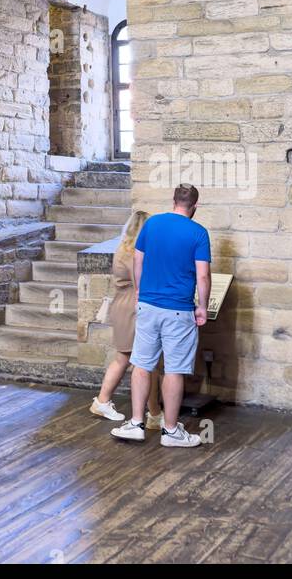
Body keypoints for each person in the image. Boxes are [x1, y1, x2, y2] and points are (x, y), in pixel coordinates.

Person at [111, 183, 211, 449]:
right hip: (179, 309)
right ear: (195, 206)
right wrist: (202, 306)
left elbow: (137, 261)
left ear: (173, 200)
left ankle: (135, 423)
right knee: (174, 369)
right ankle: (170, 431)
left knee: (142, 363)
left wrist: (142, 291)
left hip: (148, 305)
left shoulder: (152, 224)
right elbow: (202, 274)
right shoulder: (198, 232)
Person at [89, 210, 162, 428]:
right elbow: (142, 282)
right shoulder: (133, 254)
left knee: (129, 359)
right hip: (132, 309)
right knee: (143, 362)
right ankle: (153, 414)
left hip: (122, 306)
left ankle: (152, 412)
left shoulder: (122, 249)